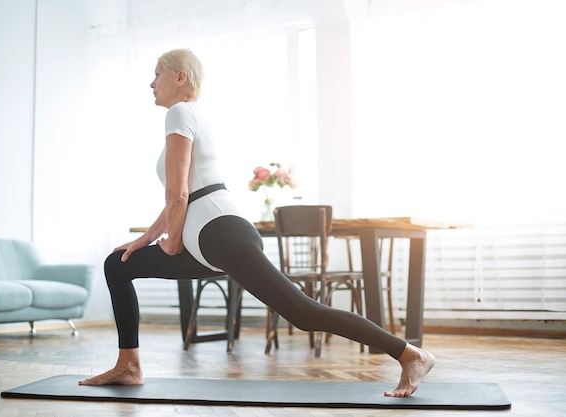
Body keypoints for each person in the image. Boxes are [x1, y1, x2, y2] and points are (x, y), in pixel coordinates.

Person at [79, 48, 435, 397]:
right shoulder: (190, 115)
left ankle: (410, 354)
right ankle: (129, 365)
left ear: (180, 77)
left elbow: (178, 195)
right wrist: (146, 239)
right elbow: (183, 192)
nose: (151, 83)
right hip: (211, 238)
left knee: (303, 313)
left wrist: (171, 243)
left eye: (157, 74)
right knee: (119, 263)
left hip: (221, 235)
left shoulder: (179, 113)